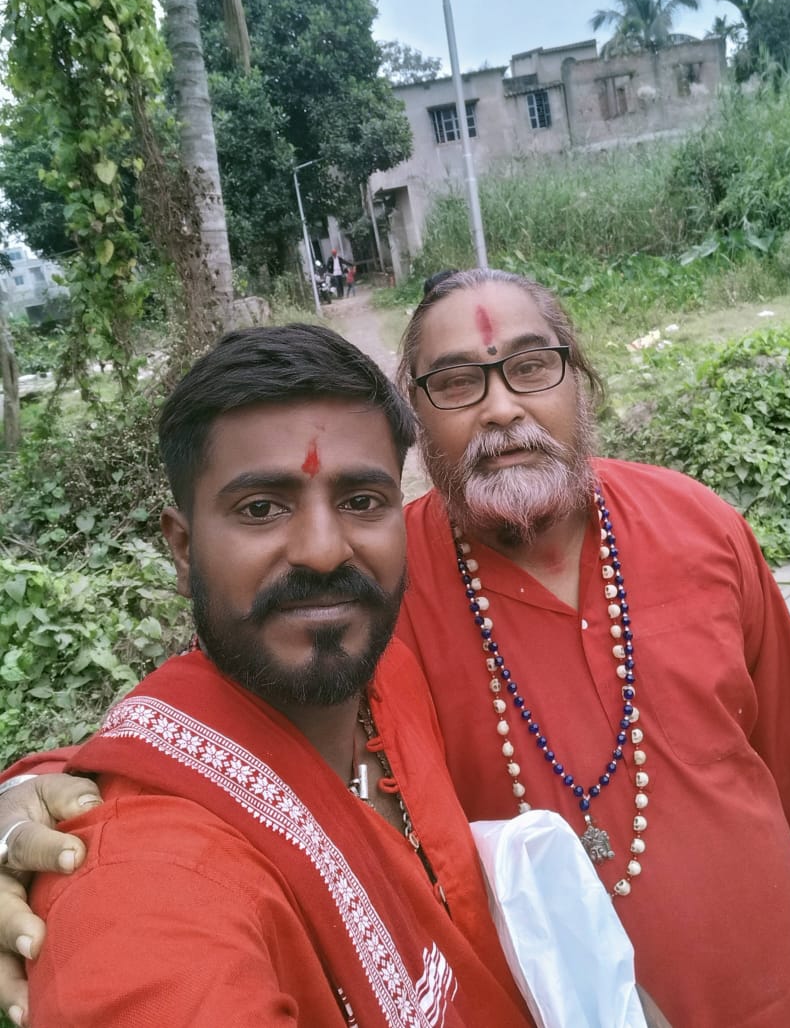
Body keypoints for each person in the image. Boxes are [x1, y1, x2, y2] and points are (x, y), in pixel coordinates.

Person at [2, 269, 790, 1026]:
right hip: (552, 998)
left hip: (760, 985)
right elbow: (227, 719)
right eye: (455, 383)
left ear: (582, 384)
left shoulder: (696, 521)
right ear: (417, 419)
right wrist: (40, 790)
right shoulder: (376, 583)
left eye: (532, 367)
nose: (501, 407)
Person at [1, 325, 536, 1027]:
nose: (323, 551)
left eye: (362, 501)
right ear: (183, 547)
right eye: (261, 508)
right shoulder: (141, 880)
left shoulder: (391, 675)